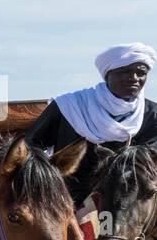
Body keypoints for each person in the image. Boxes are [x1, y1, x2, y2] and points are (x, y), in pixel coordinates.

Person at [23, 42, 157, 202]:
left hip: (126, 206)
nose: (134, 78)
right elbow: (30, 147)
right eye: (125, 71)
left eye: (141, 73)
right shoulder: (69, 106)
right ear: (108, 74)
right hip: (66, 201)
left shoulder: (152, 115)